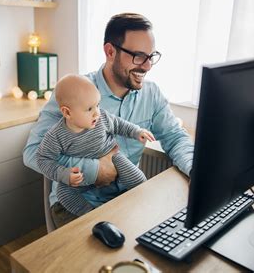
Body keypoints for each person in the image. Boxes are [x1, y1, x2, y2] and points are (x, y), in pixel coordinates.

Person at [23, 13, 194, 228]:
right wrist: (94, 170)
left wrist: (194, 167)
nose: (147, 66)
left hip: (126, 198)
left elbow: (174, 137)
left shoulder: (152, 94)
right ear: (110, 51)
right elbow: (33, 153)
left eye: (151, 56)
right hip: (77, 202)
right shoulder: (73, 93)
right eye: (139, 56)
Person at [36, 74, 155, 216]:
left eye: (97, 105)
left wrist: (136, 131)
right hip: (82, 175)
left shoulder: (101, 118)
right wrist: (63, 174)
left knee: (138, 179)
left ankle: (143, 204)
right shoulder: (56, 136)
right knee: (63, 193)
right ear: (67, 112)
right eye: (89, 109)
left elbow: (118, 124)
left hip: (112, 159)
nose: (97, 113)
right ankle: (89, 214)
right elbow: (42, 159)